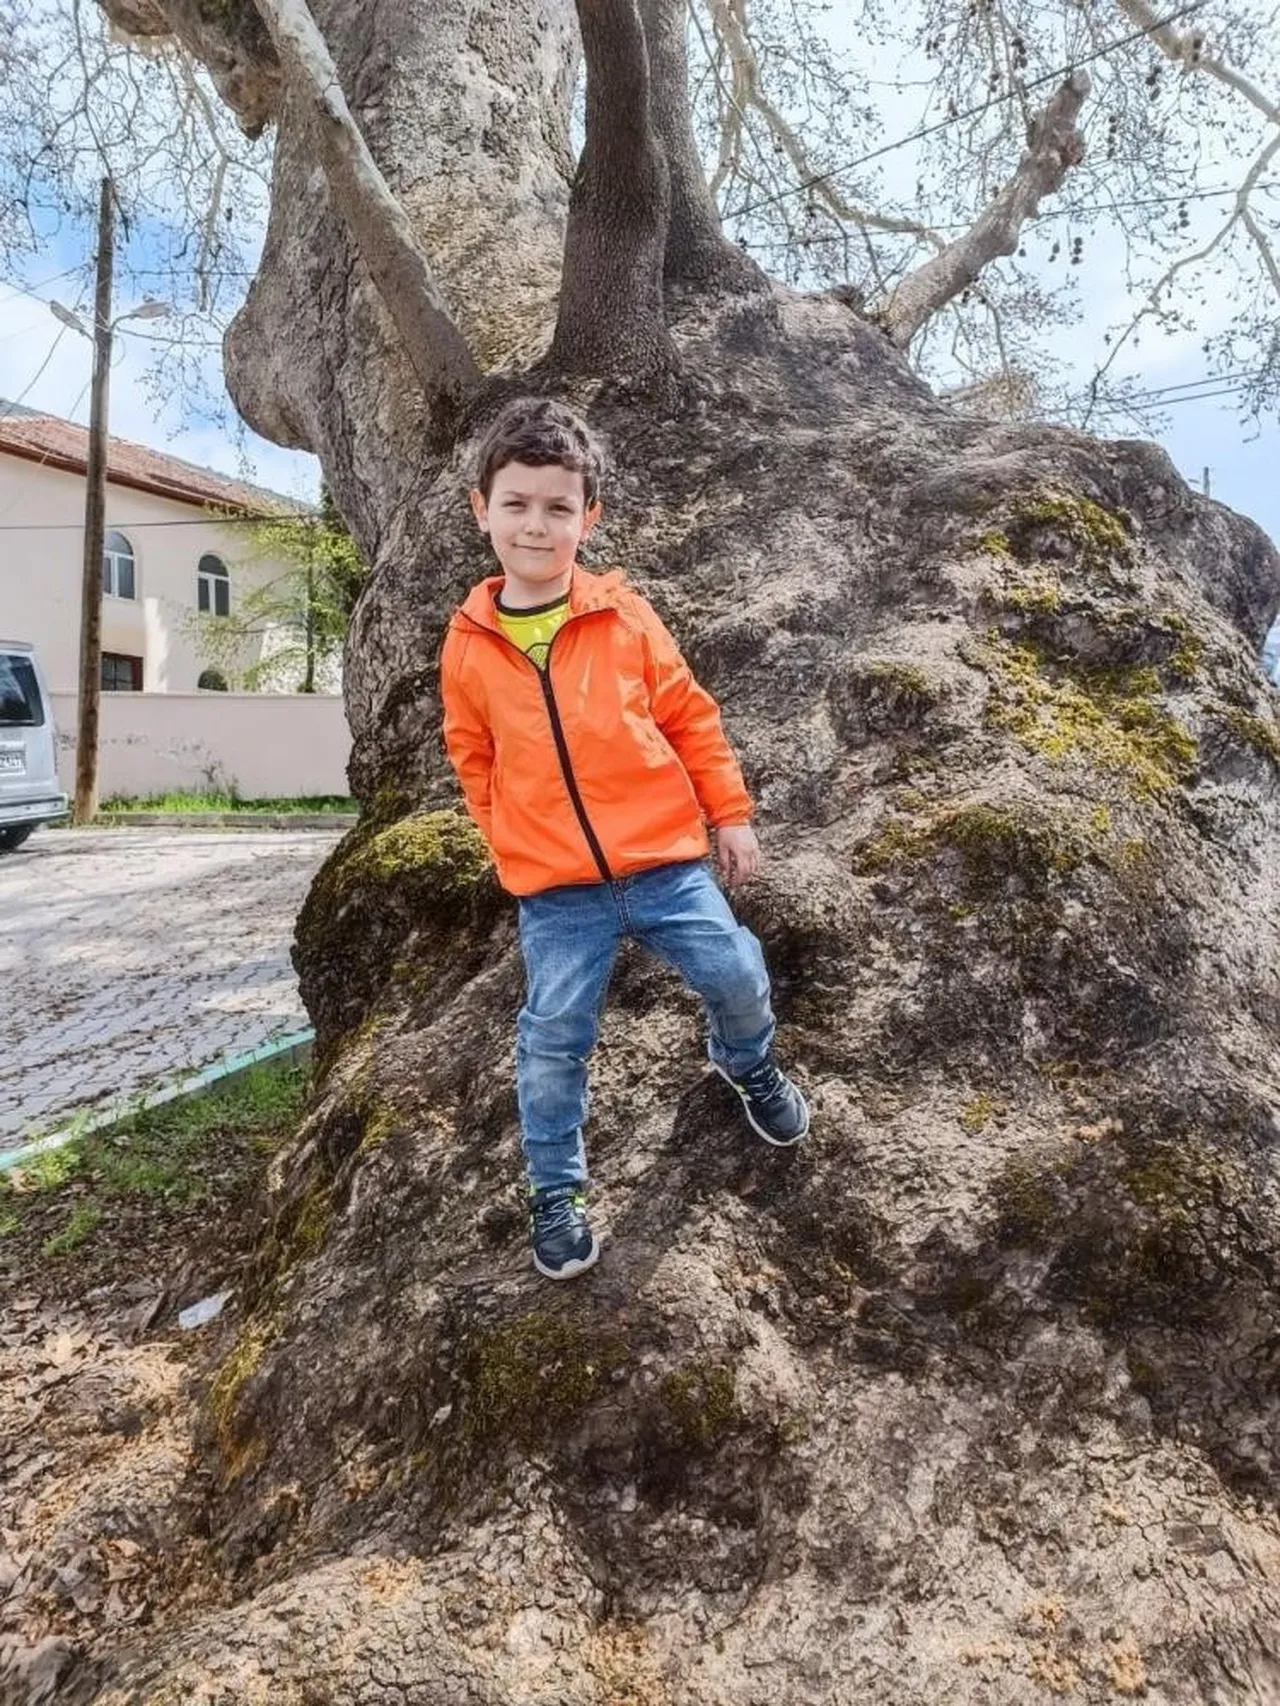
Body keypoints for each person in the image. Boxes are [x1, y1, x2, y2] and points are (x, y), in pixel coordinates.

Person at [440, 397, 809, 1281]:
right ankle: (555, 1190)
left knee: (735, 973)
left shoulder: (626, 617)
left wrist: (730, 815)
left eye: (558, 507)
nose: (536, 525)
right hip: (557, 893)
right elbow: (472, 757)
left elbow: (690, 717)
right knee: (552, 1036)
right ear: (482, 509)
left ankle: (746, 1062)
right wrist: (511, 842)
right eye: (516, 503)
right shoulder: (468, 645)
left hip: (666, 865)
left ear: (589, 517)